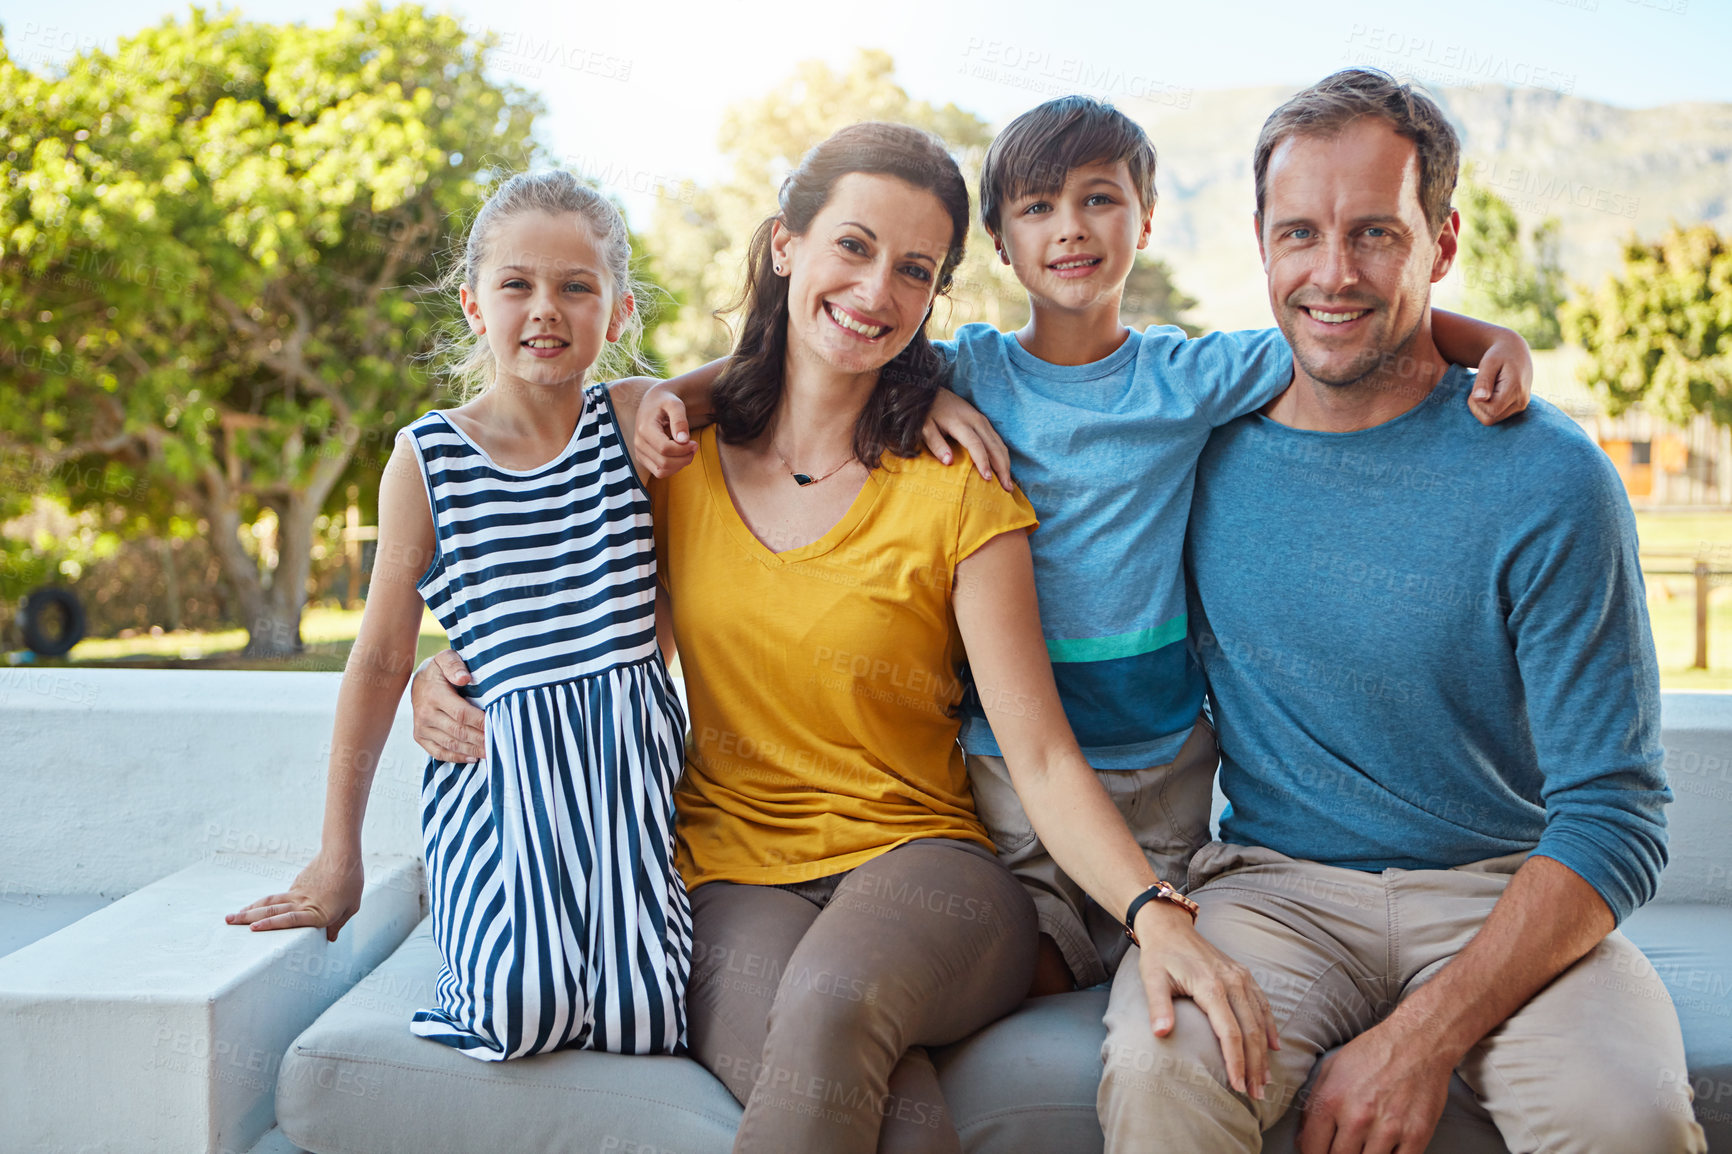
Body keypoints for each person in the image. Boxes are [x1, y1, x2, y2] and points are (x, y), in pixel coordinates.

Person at [411, 122, 1278, 1154]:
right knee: (893, 1114)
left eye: (913, 269)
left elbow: (1040, 754)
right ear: (786, 245)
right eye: (854, 247)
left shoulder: (962, 486)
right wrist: (445, 675)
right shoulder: (670, 468)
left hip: (934, 871)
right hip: (730, 874)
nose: (876, 291)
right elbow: (559, 618)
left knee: (831, 998)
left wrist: (1153, 909)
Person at [633, 95, 1533, 1005]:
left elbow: (1342, 323)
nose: (1070, 230)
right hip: (1010, 756)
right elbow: (798, 363)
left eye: (1099, 201)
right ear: (998, 243)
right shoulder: (964, 369)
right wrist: (668, 396)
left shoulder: (1190, 375)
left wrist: (1491, 339)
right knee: (1027, 955)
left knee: (1153, 950)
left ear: (1145, 219)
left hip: (1163, 758)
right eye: (1036, 208)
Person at [1097, 69, 1708, 1153]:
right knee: (1162, 1076)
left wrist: (1421, 1036)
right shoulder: (1195, 442)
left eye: (1375, 233)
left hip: (1499, 887)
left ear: (1443, 241)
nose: (1331, 274)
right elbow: (1022, 385)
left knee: (1630, 1117)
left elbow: (1616, 811)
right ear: (1260, 241)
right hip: (1272, 890)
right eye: (1300, 234)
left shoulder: (1549, 477)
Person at [227, 171, 694, 1062]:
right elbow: (375, 660)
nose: (545, 308)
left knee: (646, 1018)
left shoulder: (636, 432)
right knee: (522, 1006)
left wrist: (646, 394)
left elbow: (667, 598)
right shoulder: (429, 457)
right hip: (500, 781)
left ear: (620, 310)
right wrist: (340, 859)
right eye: (516, 284)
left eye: (576, 287)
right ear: (476, 306)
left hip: (629, 782)